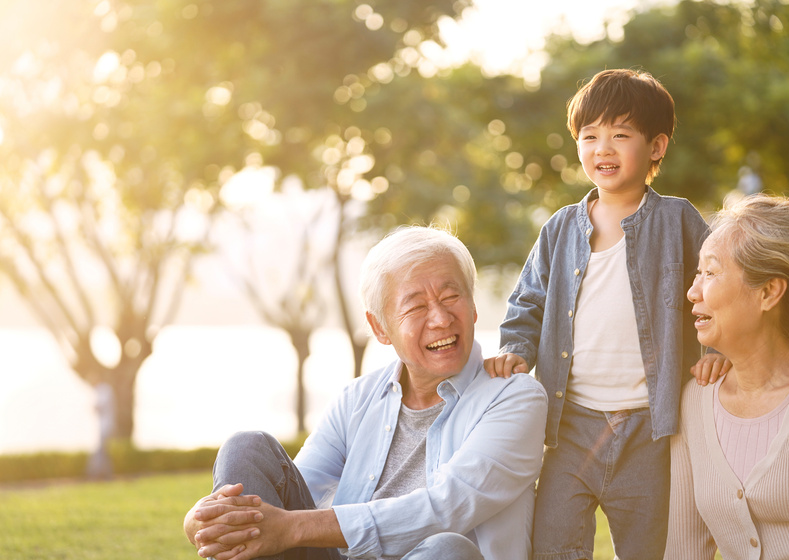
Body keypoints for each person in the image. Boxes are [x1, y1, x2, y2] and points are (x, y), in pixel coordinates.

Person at [183, 226, 548, 560]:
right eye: (417, 306)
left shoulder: (515, 398)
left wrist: (291, 528)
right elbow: (291, 490)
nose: (440, 318)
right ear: (380, 327)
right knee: (246, 446)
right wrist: (203, 522)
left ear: (473, 306)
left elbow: (446, 508)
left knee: (447, 548)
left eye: (452, 297)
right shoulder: (357, 399)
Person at [484, 68, 728, 559]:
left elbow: (715, 291)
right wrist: (515, 349)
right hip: (570, 425)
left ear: (656, 146)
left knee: (649, 549)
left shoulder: (678, 219)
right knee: (552, 544)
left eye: (621, 135)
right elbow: (527, 302)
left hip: (651, 428)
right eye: (590, 136)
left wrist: (716, 351)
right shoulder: (559, 229)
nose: (604, 148)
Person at [665, 194, 789, 558]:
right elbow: (683, 551)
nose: (692, 291)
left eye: (710, 273)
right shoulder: (694, 402)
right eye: (698, 273)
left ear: (769, 292)